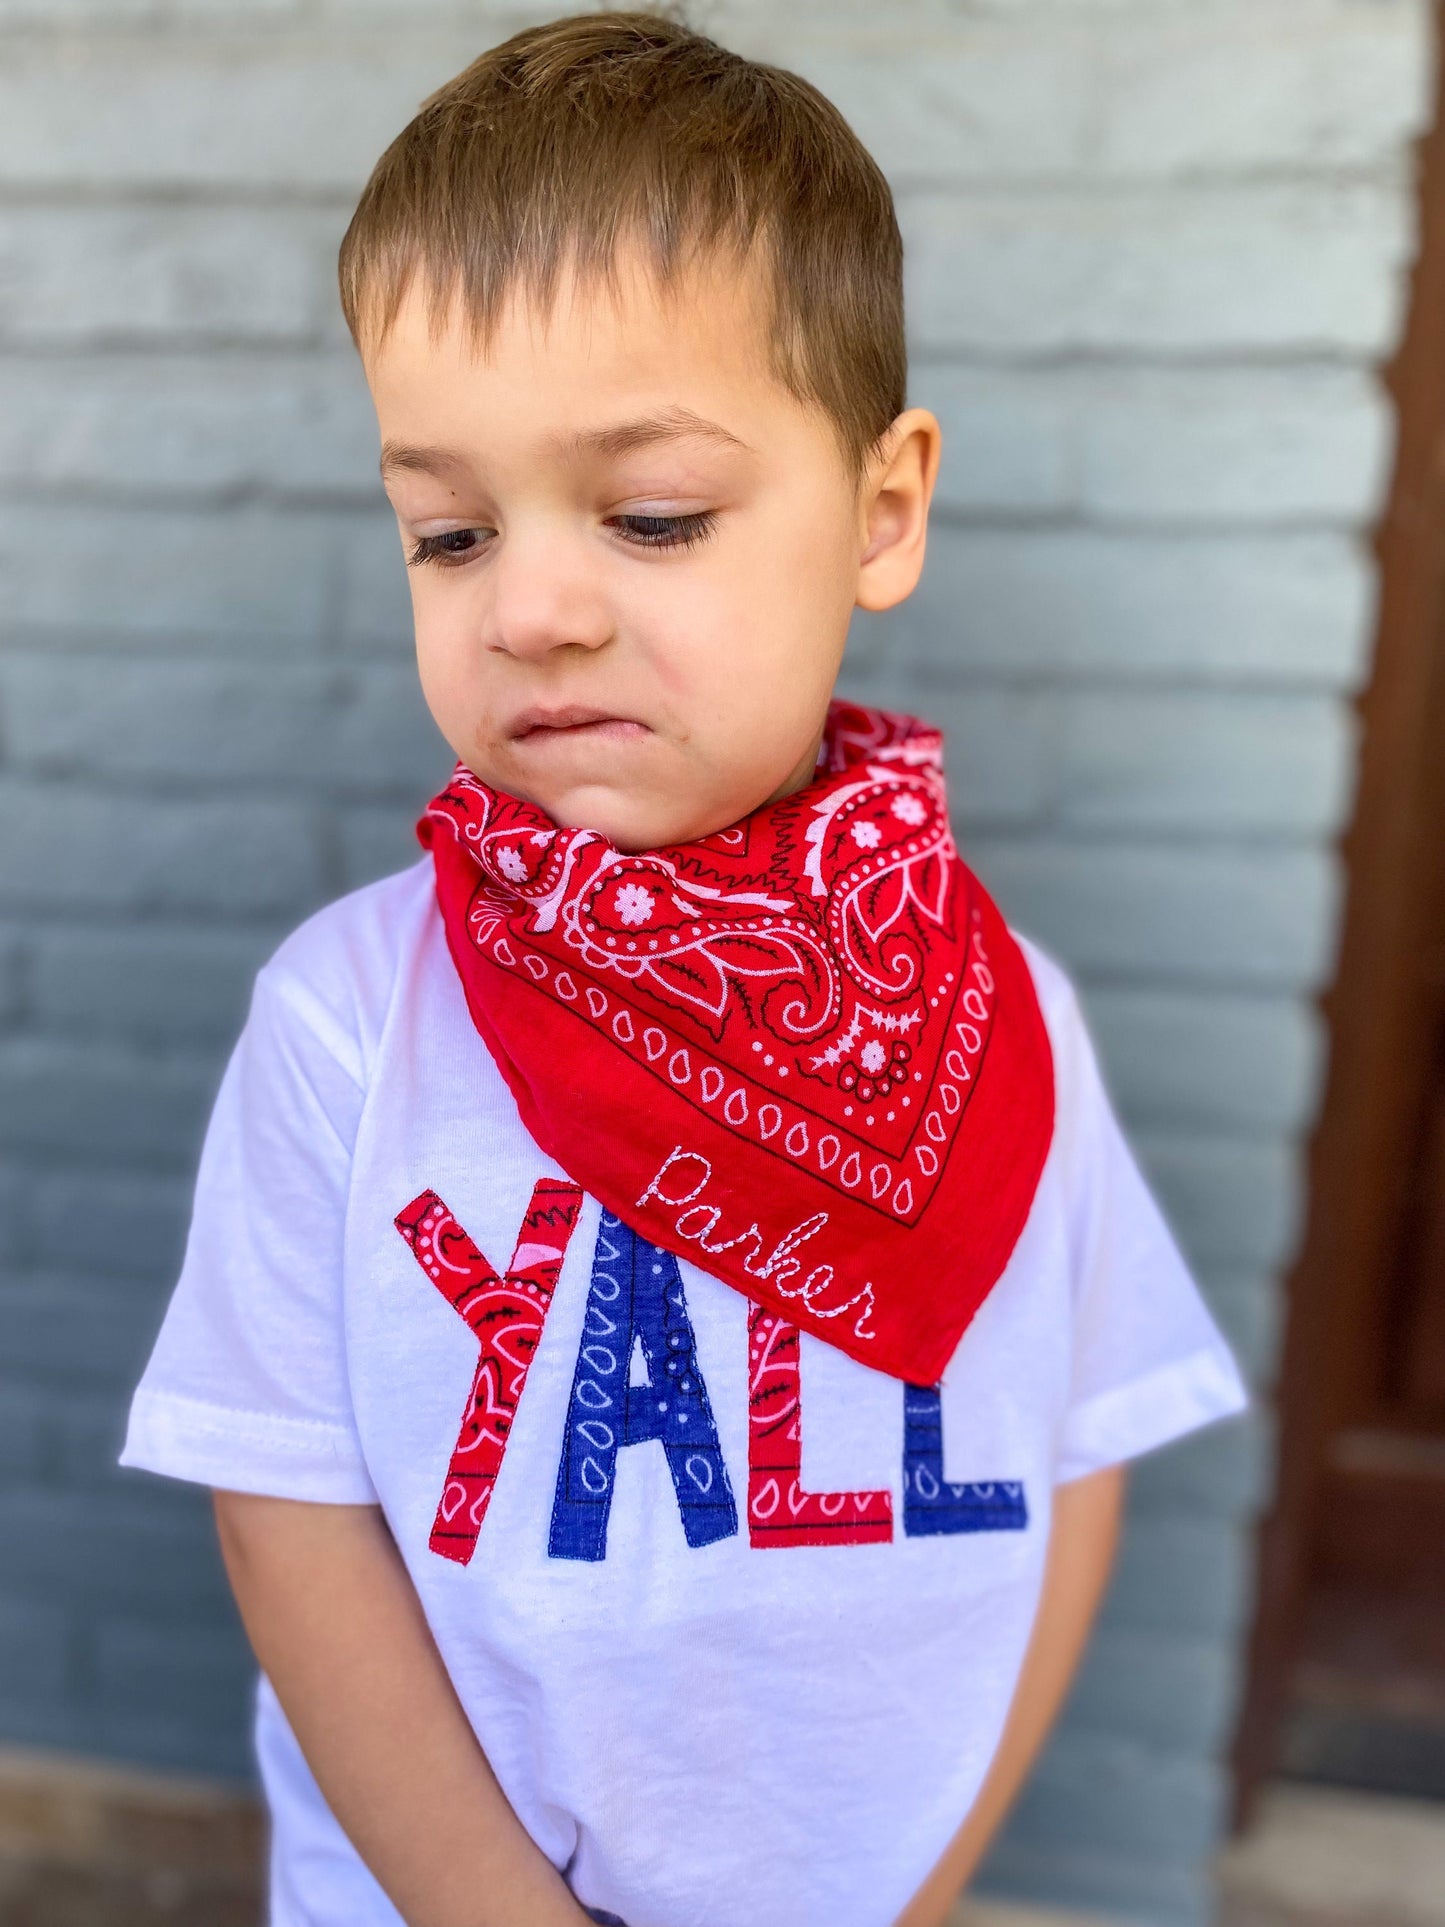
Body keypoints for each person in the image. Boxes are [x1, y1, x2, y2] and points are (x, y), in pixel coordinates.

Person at [120, 14, 1247, 1927]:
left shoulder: (1002, 1023)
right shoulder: (352, 1017)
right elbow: (284, 1510)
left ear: (881, 509)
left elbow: (1073, 1461)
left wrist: (925, 1883)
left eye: (650, 516)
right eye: (448, 532)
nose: (534, 607)